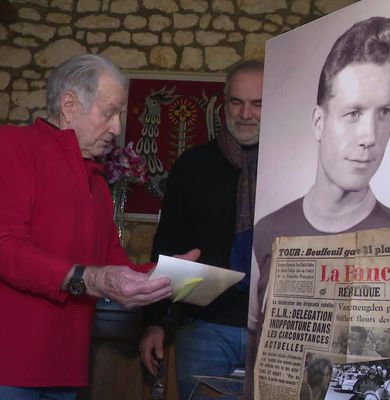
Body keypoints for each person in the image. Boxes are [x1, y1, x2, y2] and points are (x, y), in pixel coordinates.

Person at [0, 54, 199, 400]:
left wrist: (170, 273)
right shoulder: (10, 146)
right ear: (69, 105)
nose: (117, 128)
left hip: (64, 369)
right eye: (109, 113)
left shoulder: (97, 182)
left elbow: (112, 264)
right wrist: (87, 278)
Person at [247, 16, 390, 396]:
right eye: (353, 113)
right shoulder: (268, 230)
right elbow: (253, 351)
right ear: (319, 123)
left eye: (384, 112)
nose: (369, 137)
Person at [138, 60, 264, 400]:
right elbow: (166, 244)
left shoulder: (294, 167)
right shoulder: (193, 165)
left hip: (274, 332)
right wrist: (154, 321)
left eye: (258, 103)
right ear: (225, 103)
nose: (246, 113)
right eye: (237, 102)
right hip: (204, 327)